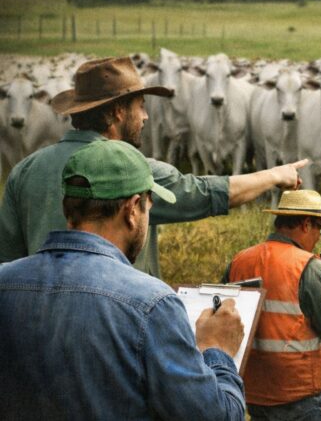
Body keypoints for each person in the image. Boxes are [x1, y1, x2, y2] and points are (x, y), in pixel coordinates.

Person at [0, 140, 247, 420]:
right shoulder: (151, 304)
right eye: (148, 207)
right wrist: (217, 349)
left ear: (68, 209)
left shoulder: (5, 281)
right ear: (131, 210)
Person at [0, 56, 308, 278]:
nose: (146, 117)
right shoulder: (134, 172)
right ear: (119, 112)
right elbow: (204, 193)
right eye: (141, 106)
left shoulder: (24, 171)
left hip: (39, 332)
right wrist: (275, 174)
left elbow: (7, 261)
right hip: (119, 324)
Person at [226, 190, 321, 421]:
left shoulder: (239, 260)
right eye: (319, 229)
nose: (317, 237)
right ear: (305, 224)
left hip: (253, 394)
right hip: (301, 395)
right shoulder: (309, 267)